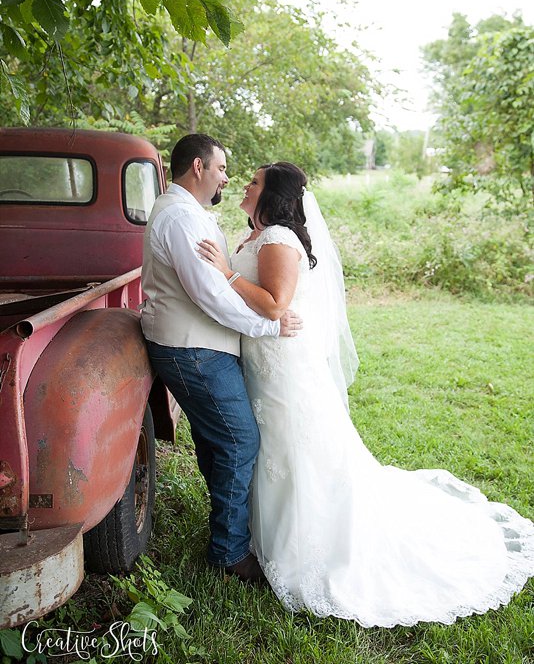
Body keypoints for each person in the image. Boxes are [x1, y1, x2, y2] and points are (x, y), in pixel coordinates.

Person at [197, 161, 534, 626]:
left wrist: (227, 274)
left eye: (253, 182)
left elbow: (276, 304)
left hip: (283, 369)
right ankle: (260, 535)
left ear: (271, 195)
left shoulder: (279, 240)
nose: (244, 185)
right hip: (259, 361)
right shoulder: (253, 237)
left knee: (293, 446)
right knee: (270, 446)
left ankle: (309, 543)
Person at [140, 136, 302, 584]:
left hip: (203, 346)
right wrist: (269, 327)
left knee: (219, 442)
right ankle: (229, 554)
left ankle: (226, 531)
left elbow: (221, 283)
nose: (228, 177)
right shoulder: (178, 218)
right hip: (194, 349)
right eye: (223, 168)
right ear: (198, 167)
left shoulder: (190, 215)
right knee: (238, 441)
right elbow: (208, 294)